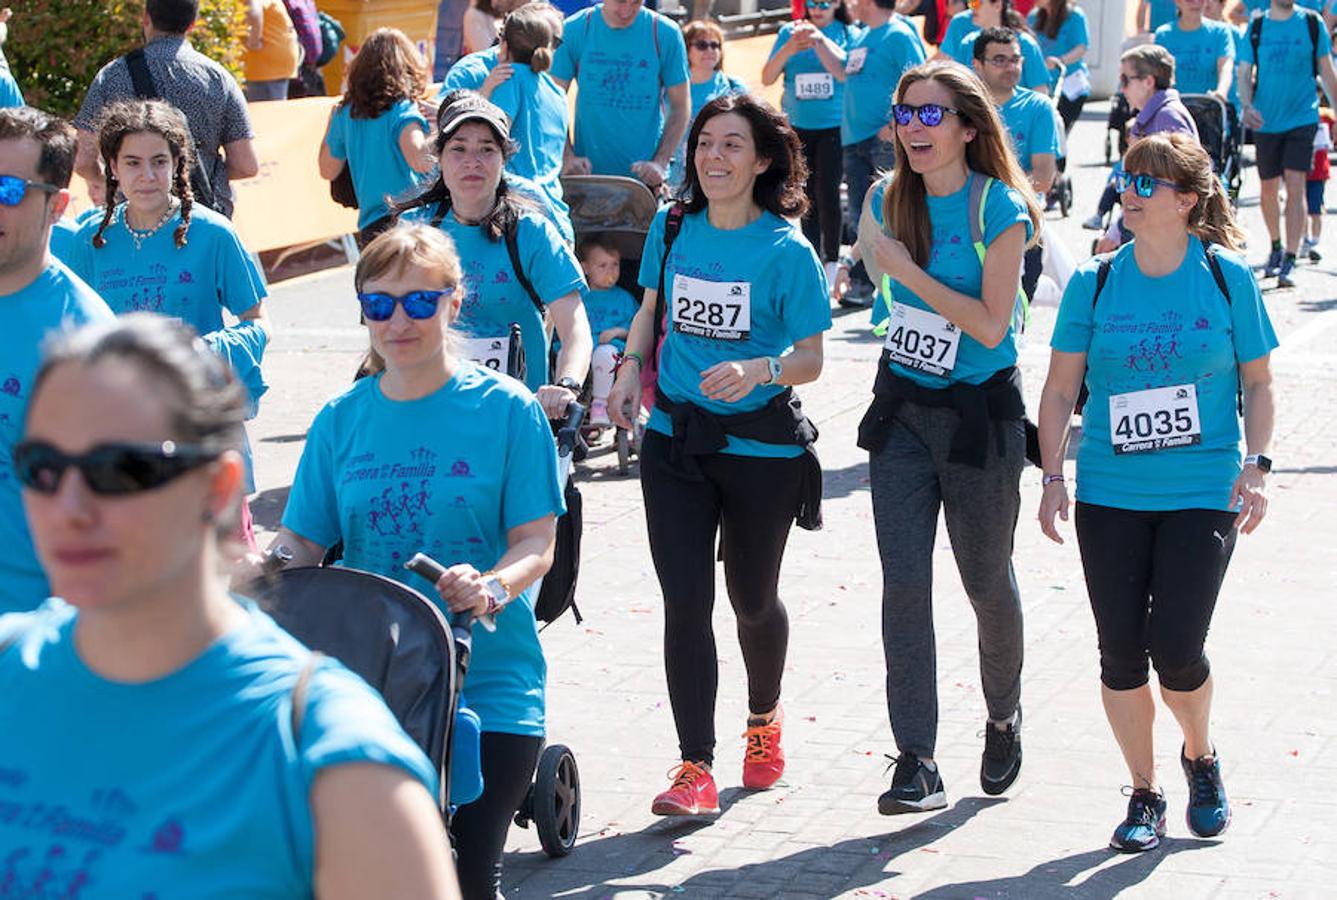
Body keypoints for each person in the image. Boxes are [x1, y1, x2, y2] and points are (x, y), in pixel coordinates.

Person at [1, 314, 461, 897]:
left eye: (118, 470)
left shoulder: (336, 762)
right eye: (43, 468)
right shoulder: (10, 666)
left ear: (217, 489)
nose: (69, 507)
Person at [264, 225, 563, 899]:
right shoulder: (342, 418)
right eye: (380, 304)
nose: (399, 321)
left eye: (420, 303)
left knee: (465, 878)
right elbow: (303, 542)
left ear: (455, 304)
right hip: (372, 684)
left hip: (488, 684)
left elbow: (536, 545)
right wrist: (258, 566)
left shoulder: (508, 410)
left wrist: (488, 586)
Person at [1037, 132, 1277, 853]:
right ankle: (1144, 793)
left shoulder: (1226, 275)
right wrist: (1051, 476)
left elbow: (1259, 384)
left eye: (1147, 183)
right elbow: (1056, 390)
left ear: (1186, 199)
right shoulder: (1094, 281)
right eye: (1125, 178)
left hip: (1202, 488)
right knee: (1119, 653)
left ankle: (1200, 757)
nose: (1128, 192)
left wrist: (1257, 464)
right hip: (1110, 490)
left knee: (1175, 647)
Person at [606, 92, 831, 817]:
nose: (714, 157)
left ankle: (762, 721)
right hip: (675, 441)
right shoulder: (673, 229)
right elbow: (648, 313)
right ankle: (693, 766)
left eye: (732, 144)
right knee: (685, 602)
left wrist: (759, 370)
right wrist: (624, 368)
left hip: (758, 452)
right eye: (705, 143)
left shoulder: (785, 250)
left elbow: (810, 359)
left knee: (751, 600)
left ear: (762, 159)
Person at [854, 61, 1041, 815]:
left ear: (968, 126)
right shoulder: (881, 197)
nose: (914, 128)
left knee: (984, 582)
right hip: (902, 410)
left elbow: (992, 324)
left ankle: (1002, 714)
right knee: (904, 584)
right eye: (905, 113)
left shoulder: (1000, 208)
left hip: (979, 420)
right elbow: (877, 288)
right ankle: (916, 760)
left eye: (931, 115)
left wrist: (905, 270)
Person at [69, 99, 272, 551]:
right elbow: (75, 335)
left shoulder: (214, 232)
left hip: (198, 425)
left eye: (159, 162)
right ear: (112, 169)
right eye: (133, 163)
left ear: (178, 164)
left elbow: (257, 321)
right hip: (120, 431)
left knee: (223, 571)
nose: (147, 176)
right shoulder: (89, 240)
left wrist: (202, 355)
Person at [396, 91, 592, 413]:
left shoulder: (531, 233)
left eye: (486, 149)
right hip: (433, 412)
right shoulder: (414, 229)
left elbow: (575, 329)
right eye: (458, 149)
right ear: (440, 159)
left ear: (503, 160)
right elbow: (386, 323)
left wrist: (566, 385)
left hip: (515, 417)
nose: (472, 161)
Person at [0, 108, 115, 614]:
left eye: (8, 191)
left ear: (57, 205)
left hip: (29, 644)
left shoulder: (86, 339)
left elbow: (114, 523)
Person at [74, 0, 259, 218]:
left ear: (146, 18)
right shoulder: (219, 78)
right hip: (204, 213)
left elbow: (83, 160)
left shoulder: (113, 75)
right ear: (193, 25)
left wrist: (112, 180)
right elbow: (246, 165)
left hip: (135, 214)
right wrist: (202, 171)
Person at [1238, 0, 1337, 287]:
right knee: (1268, 189)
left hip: (1302, 117)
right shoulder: (1257, 26)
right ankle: (1276, 246)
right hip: (1266, 120)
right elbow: (1244, 73)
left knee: (1297, 184)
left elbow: (1327, 72)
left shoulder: (1311, 23)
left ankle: (1290, 259)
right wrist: (1246, 105)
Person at [837, 0, 927, 304]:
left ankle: (904, 284)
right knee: (862, 218)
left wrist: (894, 125)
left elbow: (920, 79)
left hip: (884, 140)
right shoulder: (861, 35)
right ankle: (863, 283)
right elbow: (844, 73)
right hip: (854, 138)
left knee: (893, 213)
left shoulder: (899, 33)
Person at [550, 0, 691, 191]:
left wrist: (660, 162)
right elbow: (551, 101)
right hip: (588, 179)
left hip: (645, 183)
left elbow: (681, 107)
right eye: (620, 1)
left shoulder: (665, 33)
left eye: (635, 2)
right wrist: (567, 156)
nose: (626, 11)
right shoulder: (576, 29)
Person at [762, 0, 854, 287]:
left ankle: (831, 258)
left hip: (833, 126)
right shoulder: (789, 31)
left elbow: (845, 72)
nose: (818, 8)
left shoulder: (847, 31)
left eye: (825, 2)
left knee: (827, 190)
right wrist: (790, 47)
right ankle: (812, 253)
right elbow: (767, 77)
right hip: (797, 128)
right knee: (803, 192)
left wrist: (820, 41)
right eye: (812, 2)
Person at [319, 28, 435, 248]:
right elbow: (420, 161)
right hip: (411, 222)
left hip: (371, 226)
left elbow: (328, 170)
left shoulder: (346, 114)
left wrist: (331, 124)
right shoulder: (403, 110)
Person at [973, 26, 1058, 302]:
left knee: (1012, 317)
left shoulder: (1038, 107)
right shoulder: (963, 107)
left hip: (1021, 222)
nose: (1010, 67)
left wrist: (995, 199)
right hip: (967, 223)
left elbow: (1044, 178)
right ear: (977, 65)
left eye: (1015, 59)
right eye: (999, 60)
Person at [1092, 45, 1201, 247]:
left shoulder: (1167, 118)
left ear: (1148, 81)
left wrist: (1118, 230)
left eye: (1125, 80)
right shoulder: (1153, 116)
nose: (1121, 88)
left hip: (1164, 232)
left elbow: (1171, 187)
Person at [488, 4, 569, 226]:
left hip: (519, 215)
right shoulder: (558, 93)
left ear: (503, 47)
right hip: (556, 218)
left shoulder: (510, 79)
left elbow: (491, 139)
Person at [668, 19, 749, 189]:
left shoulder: (735, 88)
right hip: (673, 181)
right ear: (685, 48)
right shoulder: (666, 87)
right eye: (702, 45)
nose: (710, 50)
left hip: (718, 176)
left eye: (715, 45)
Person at [575, 234, 639, 424]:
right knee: (565, 352)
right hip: (582, 351)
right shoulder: (579, 297)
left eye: (615, 264)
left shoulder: (624, 298)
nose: (610, 271)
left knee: (606, 353)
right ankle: (568, 403)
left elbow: (637, 328)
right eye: (602, 266)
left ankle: (600, 405)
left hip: (612, 354)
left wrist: (618, 331)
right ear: (585, 268)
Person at [940, 0, 1052, 95]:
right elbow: (956, 89)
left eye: (977, 2)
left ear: (998, 4)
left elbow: (1040, 92)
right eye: (970, 2)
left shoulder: (1025, 44)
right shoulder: (967, 43)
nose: (972, 8)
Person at [1028, 0, 1089, 133]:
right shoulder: (1033, 17)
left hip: (1070, 85)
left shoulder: (1075, 15)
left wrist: (1060, 61)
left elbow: (1081, 47)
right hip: (1042, 86)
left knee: (1058, 132)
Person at [1154, 0, 1235, 97]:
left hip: (1209, 104)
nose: (1196, 3)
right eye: (1190, 0)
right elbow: (1157, 73)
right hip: (1175, 106)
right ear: (1178, 2)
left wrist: (1221, 92)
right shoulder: (1163, 35)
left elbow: (1226, 67)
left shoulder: (1220, 32)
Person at [245, 0, 301, 101]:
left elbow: (254, 12)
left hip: (265, 66)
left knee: (264, 113)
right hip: (276, 63)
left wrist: (253, 42)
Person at [1303, 108, 1332, 260]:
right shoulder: (1298, 114)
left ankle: (1315, 241)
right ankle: (1305, 239)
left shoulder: (1326, 116)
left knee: (1315, 209)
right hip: (1300, 171)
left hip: (1318, 173)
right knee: (1300, 208)